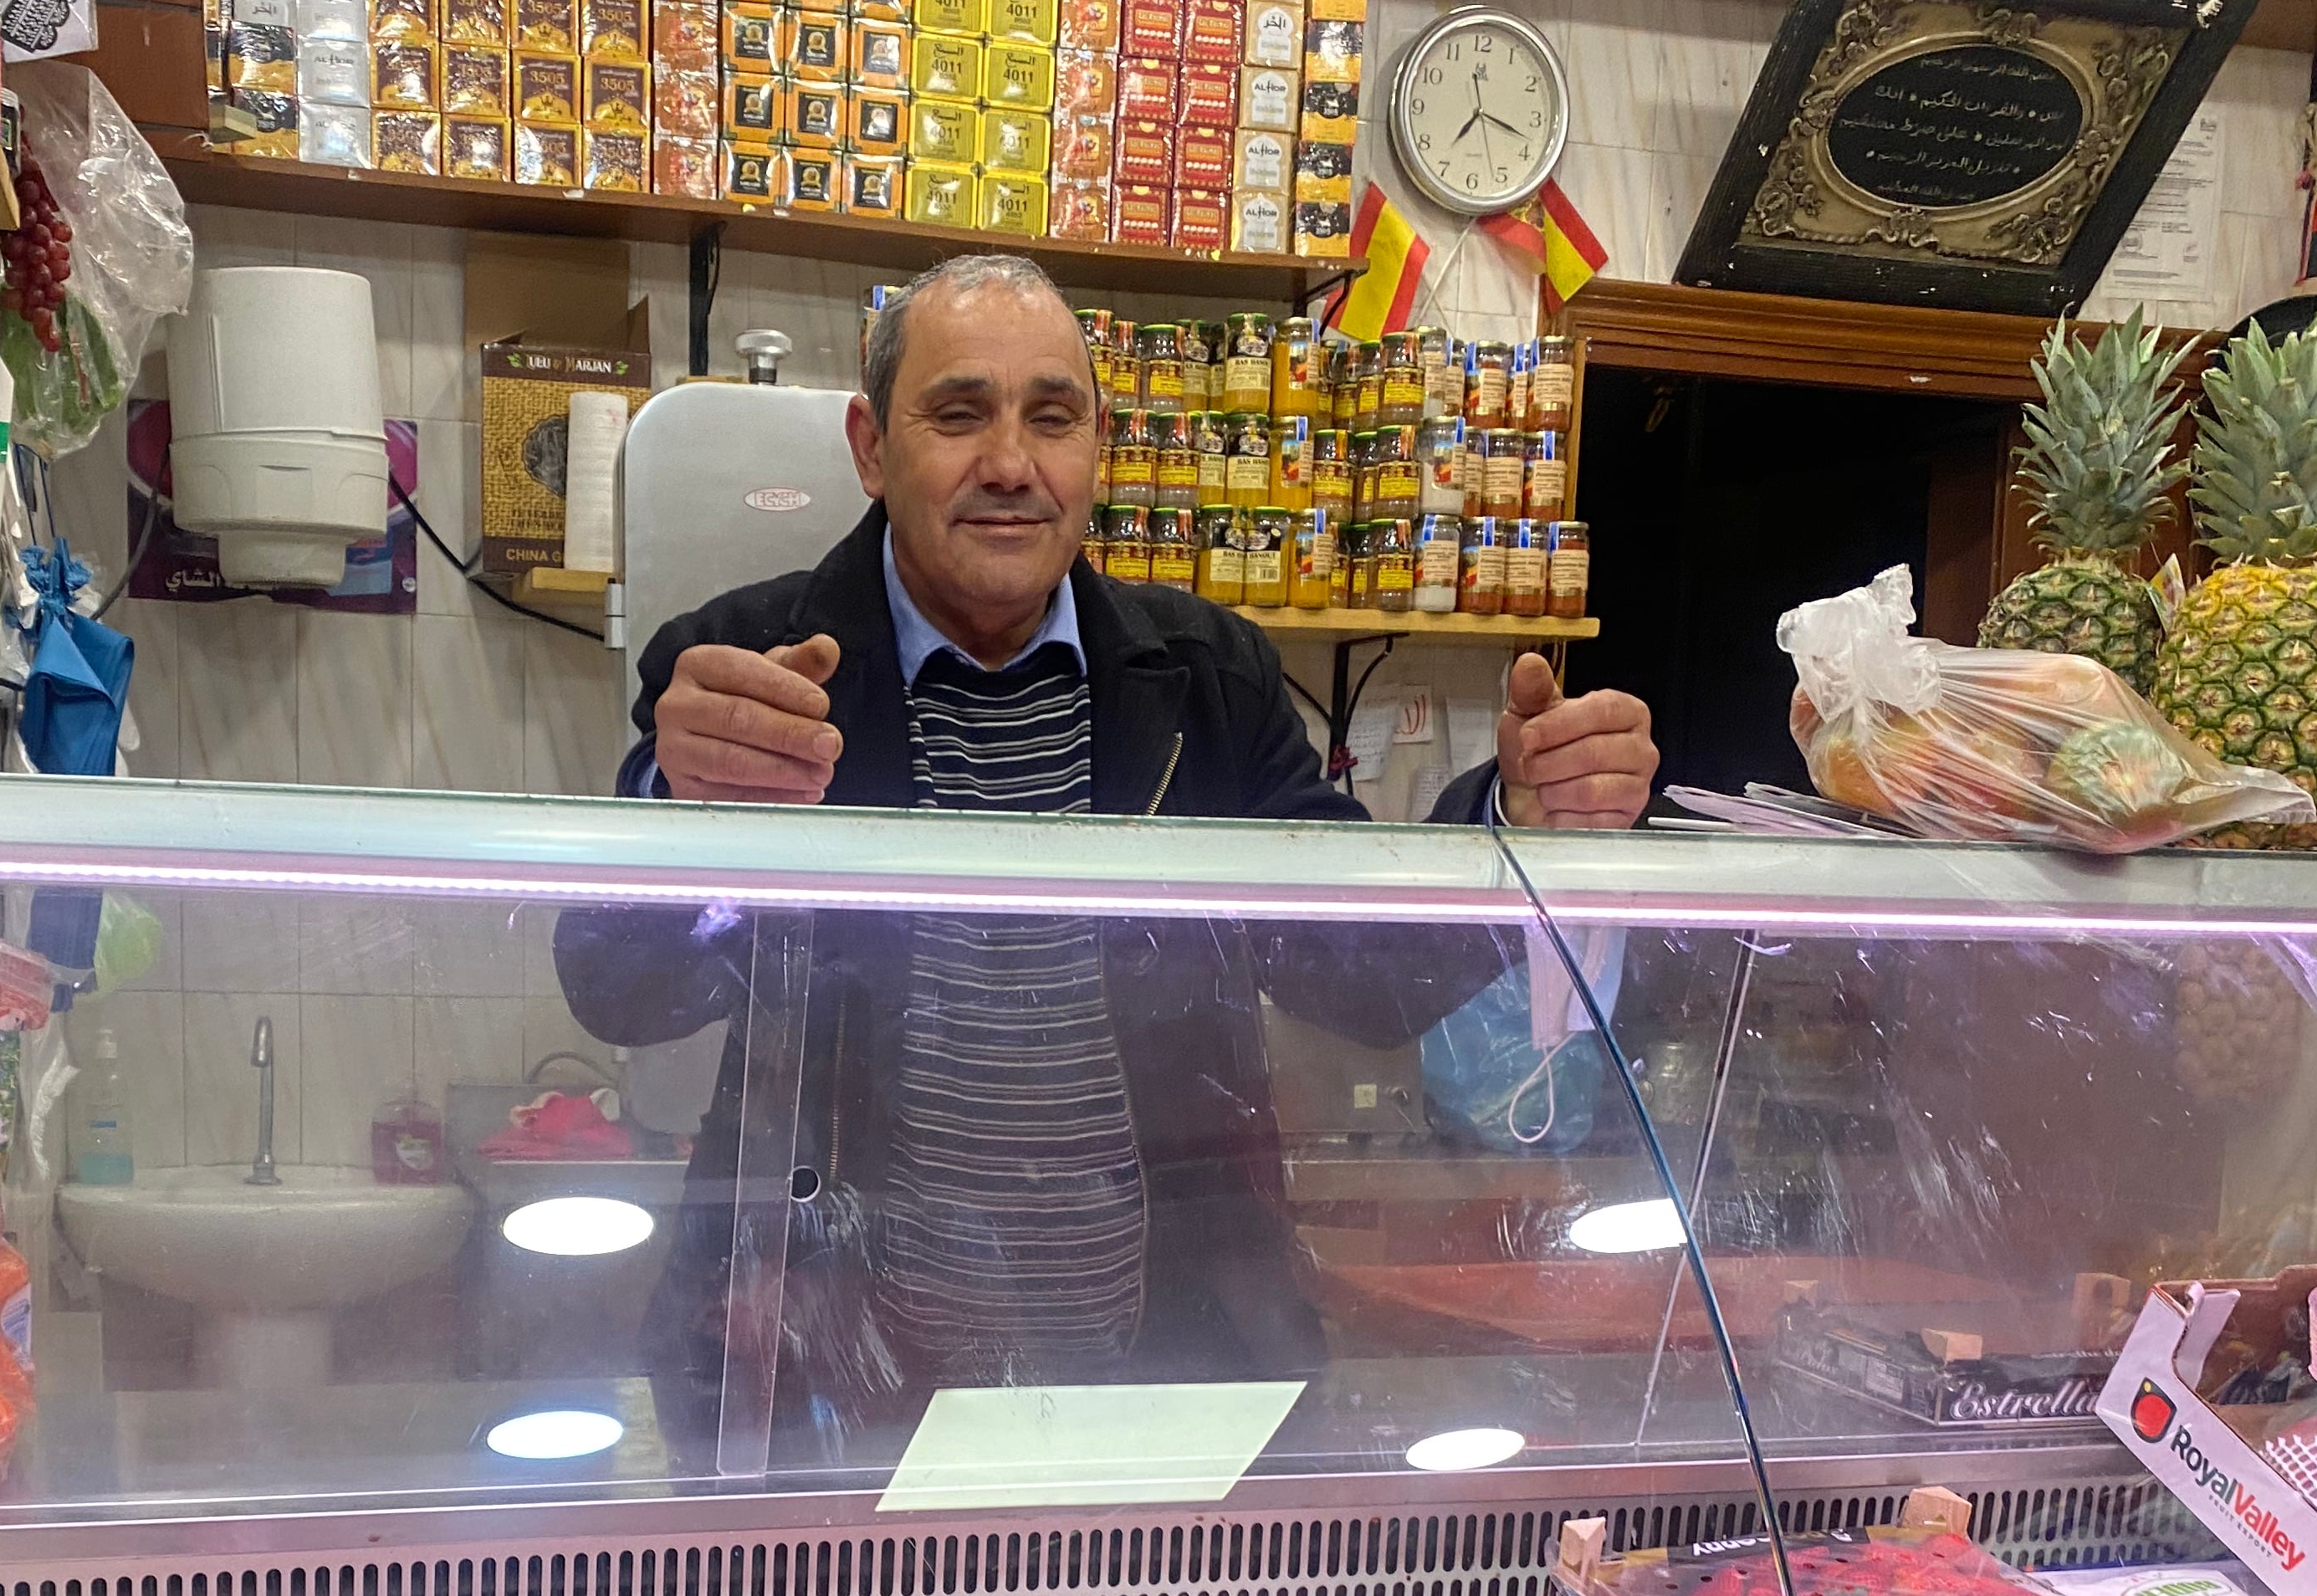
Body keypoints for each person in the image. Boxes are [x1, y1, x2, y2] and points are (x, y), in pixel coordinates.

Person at [558, 253, 1662, 1463]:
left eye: (1053, 417)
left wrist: (1509, 816)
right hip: (830, 1377)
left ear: (1098, 447)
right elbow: (619, 987)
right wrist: (685, 801)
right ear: (872, 446)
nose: (1012, 465)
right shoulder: (747, 661)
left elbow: (1365, 975)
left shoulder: (1210, 680)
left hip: (1171, 1379)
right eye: (960, 412)